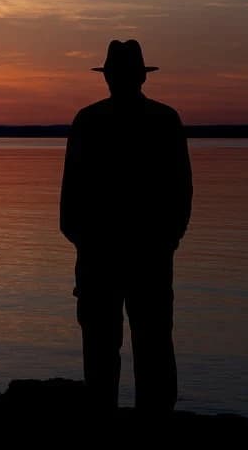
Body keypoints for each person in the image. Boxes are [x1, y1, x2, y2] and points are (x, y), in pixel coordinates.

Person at [59, 39, 192, 413]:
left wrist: (87, 244)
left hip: (115, 256)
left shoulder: (91, 121)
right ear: (140, 77)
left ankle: (116, 418)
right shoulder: (164, 120)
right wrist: (166, 241)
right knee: (146, 347)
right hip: (139, 254)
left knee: (112, 349)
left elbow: (69, 204)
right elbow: (182, 195)